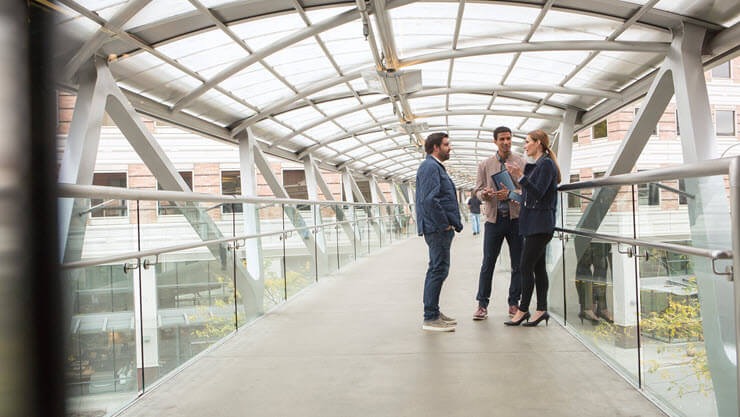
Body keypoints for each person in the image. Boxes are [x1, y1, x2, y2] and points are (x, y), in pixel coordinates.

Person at [504, 129, 561, 327]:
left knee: (525, 266)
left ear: (539, 143)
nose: (525, 145)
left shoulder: (546, 165)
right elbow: (530, 195)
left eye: (528, 142)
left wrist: (520, 176)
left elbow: (538, 194)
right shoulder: (538, 165)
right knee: (537, 267)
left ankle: (523, 309)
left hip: (540, 225)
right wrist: (514, 190)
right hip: (534, 224)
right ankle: (541, 309)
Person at [472, 126, 526, 320]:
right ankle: (482, 304)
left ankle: (514, 303)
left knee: (518, 264)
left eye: (509, 139)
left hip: (515, 220)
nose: (506, 142)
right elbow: (477, 191)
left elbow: (527, 192)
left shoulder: (520, 162)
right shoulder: (485, 165)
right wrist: (484, 194)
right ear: (495, 141)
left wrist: (511, 194)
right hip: (494, 220)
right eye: (502, 139)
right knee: (488, 263)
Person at [416, 132, 463, 332]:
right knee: (438, 269)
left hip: (437, 227)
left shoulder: (434, 166)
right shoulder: (429, 166)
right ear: (435, 147)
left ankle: (433, 311)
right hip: (437, 228)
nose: (449, 147)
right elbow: (429, 200)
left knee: (438, 268)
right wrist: (444, 224)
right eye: (446, 144)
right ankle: (430, 317)